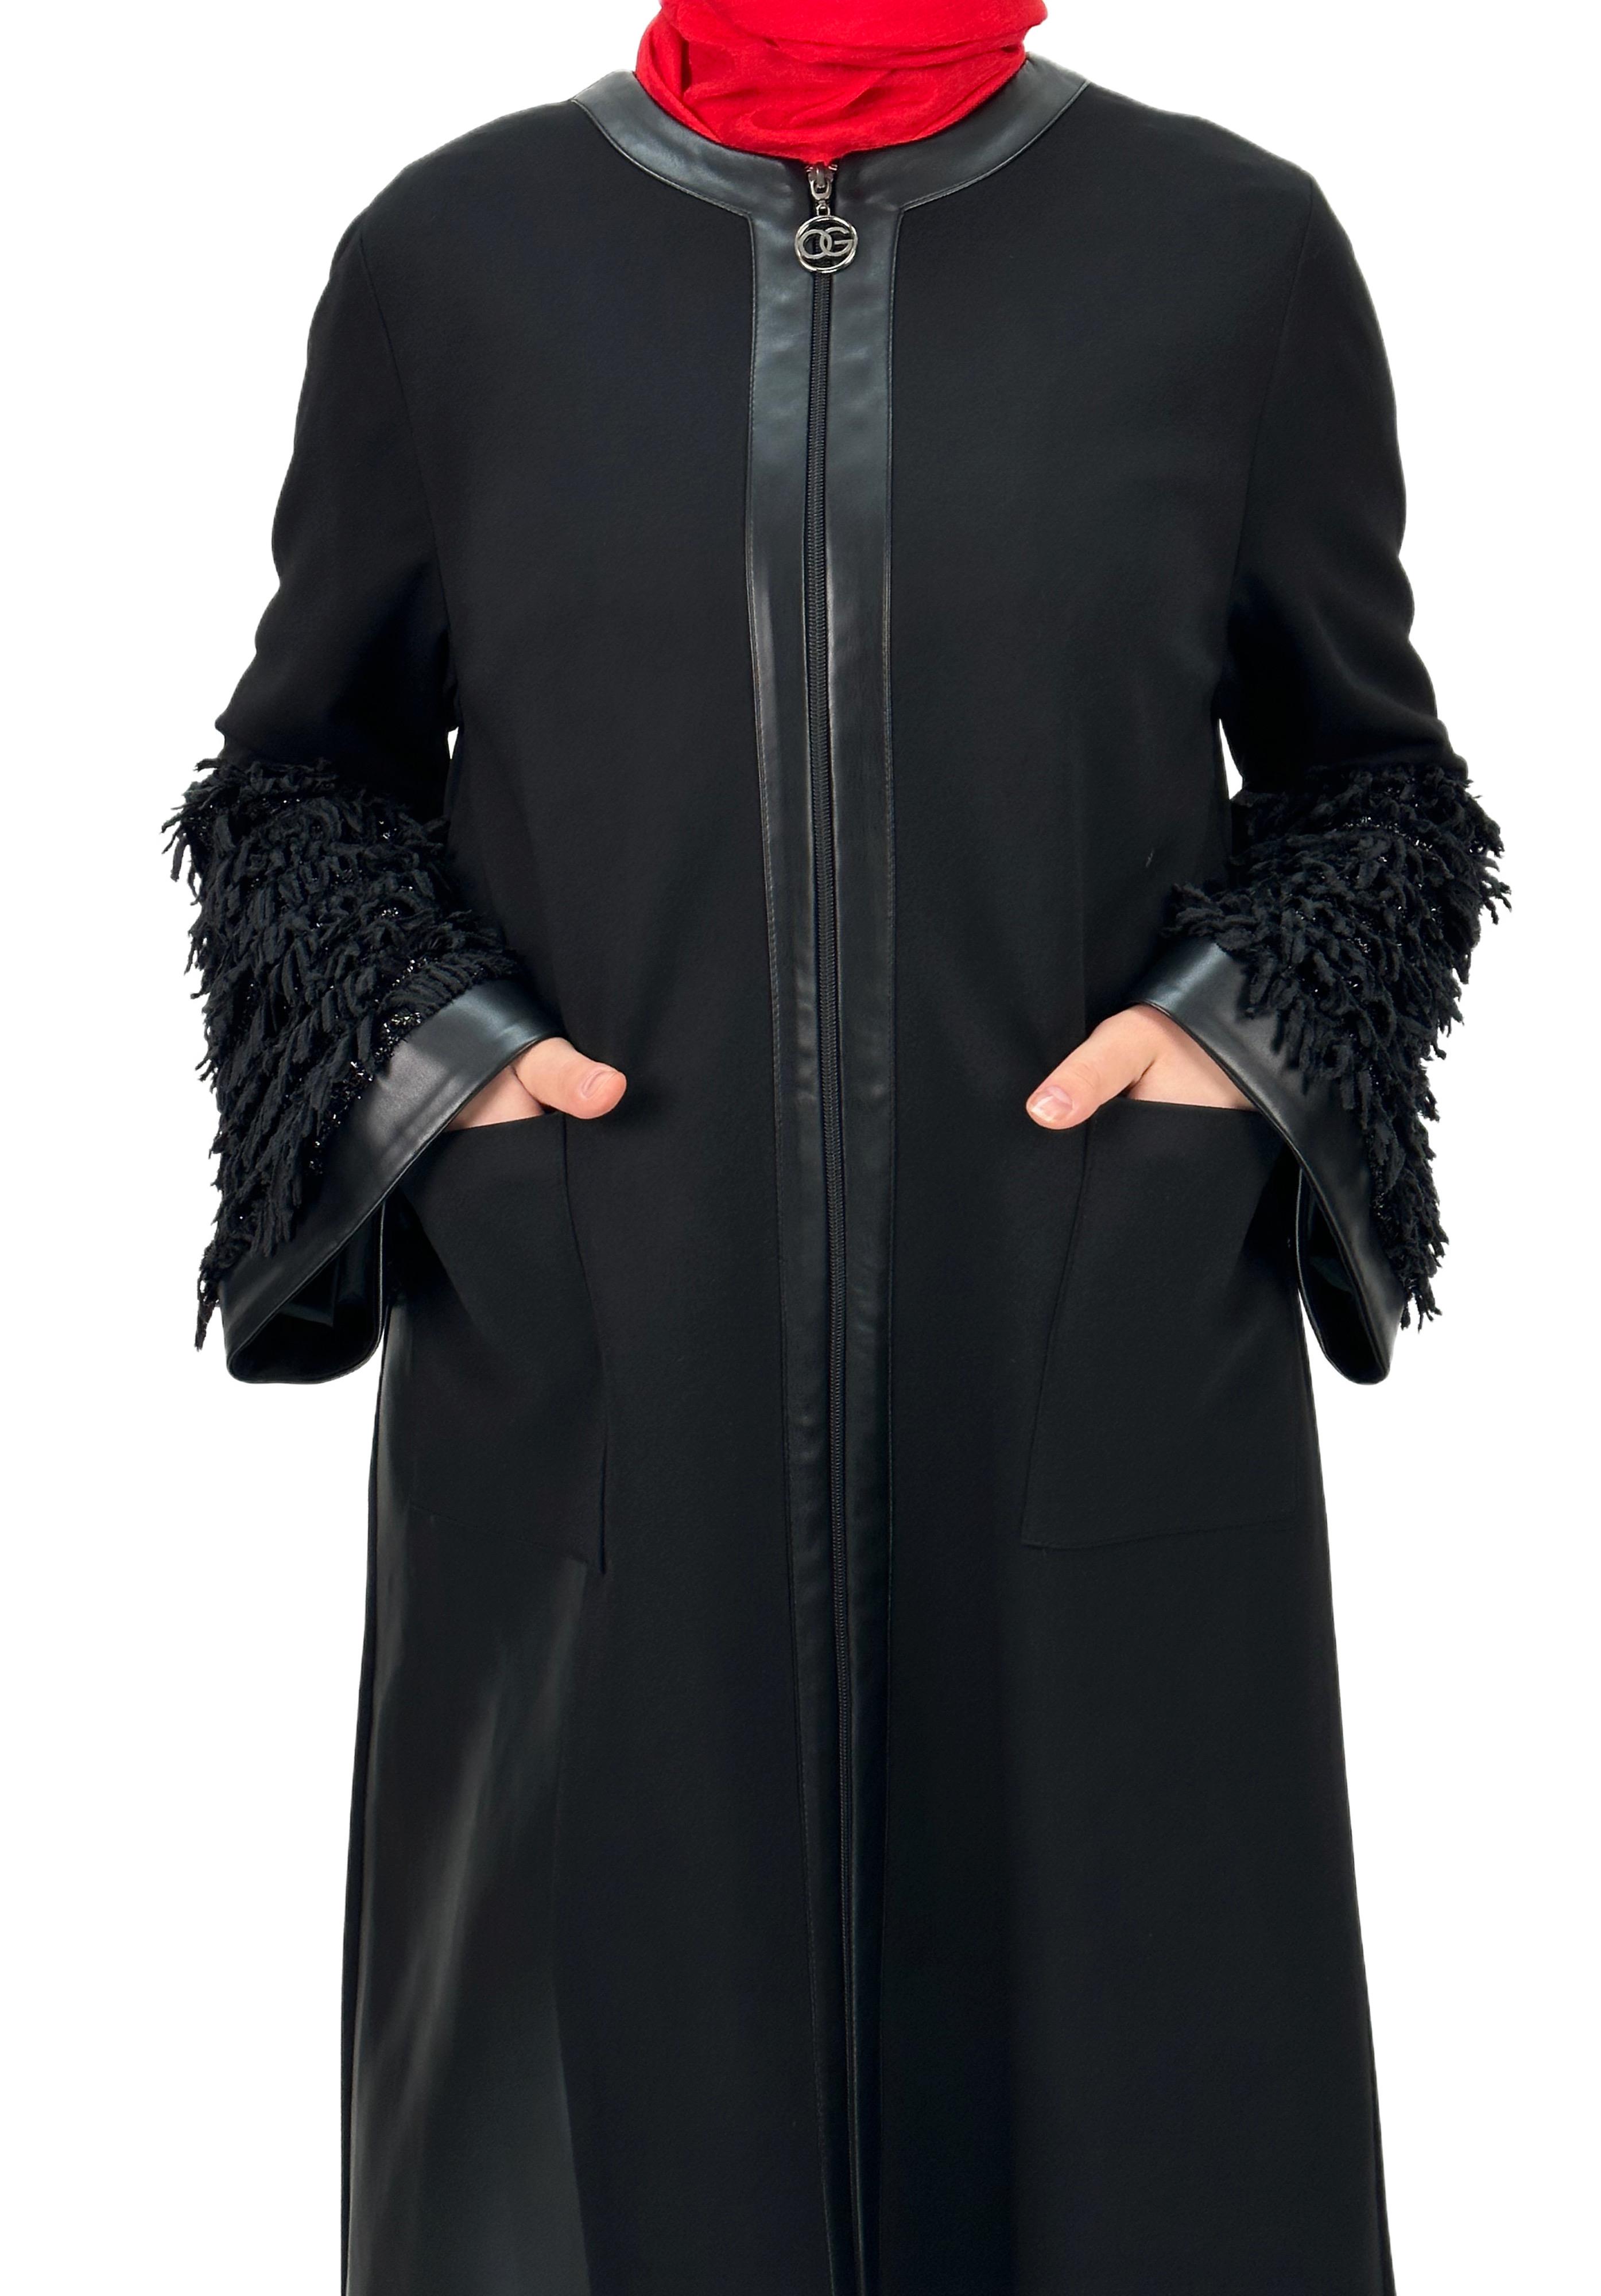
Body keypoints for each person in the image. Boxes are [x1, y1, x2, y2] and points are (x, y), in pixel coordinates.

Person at [170, 2, 1502, 2288]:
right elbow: (301, 786)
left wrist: (1225, 1051)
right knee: (601, 2149)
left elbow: (1375, 789)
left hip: (1080, 1355)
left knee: (1129, 2137)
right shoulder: (453, 259)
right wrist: (457, 1075)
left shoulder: (1229, 251)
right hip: (601, 1367)